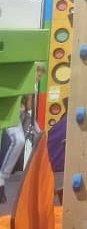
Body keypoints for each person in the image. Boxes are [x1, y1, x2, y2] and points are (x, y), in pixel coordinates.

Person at [0, 61, 45, 203]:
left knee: (40, 137)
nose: (38, 79)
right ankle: (1, 178)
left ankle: (36, 172)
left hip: (23, 115)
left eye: (40, 77)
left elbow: (29, 107)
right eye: (37, 76)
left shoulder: (33, 85)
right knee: (19, 140)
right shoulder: (18, 80)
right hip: (10, 113)